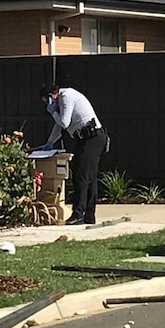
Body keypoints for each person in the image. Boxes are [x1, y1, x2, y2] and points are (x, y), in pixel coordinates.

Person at [38, 83, 109, 225]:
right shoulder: (61, 103)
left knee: (81, 176)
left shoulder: (66, 96)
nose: (47, 106)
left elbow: (64, 122)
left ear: (52, 96)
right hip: (87, 139)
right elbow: (58, 127)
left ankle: (78, 215)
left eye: (47, 102)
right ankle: (89, 216)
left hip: (92, 138)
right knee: (89, 178)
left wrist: (52, 112)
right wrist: (50, 142)